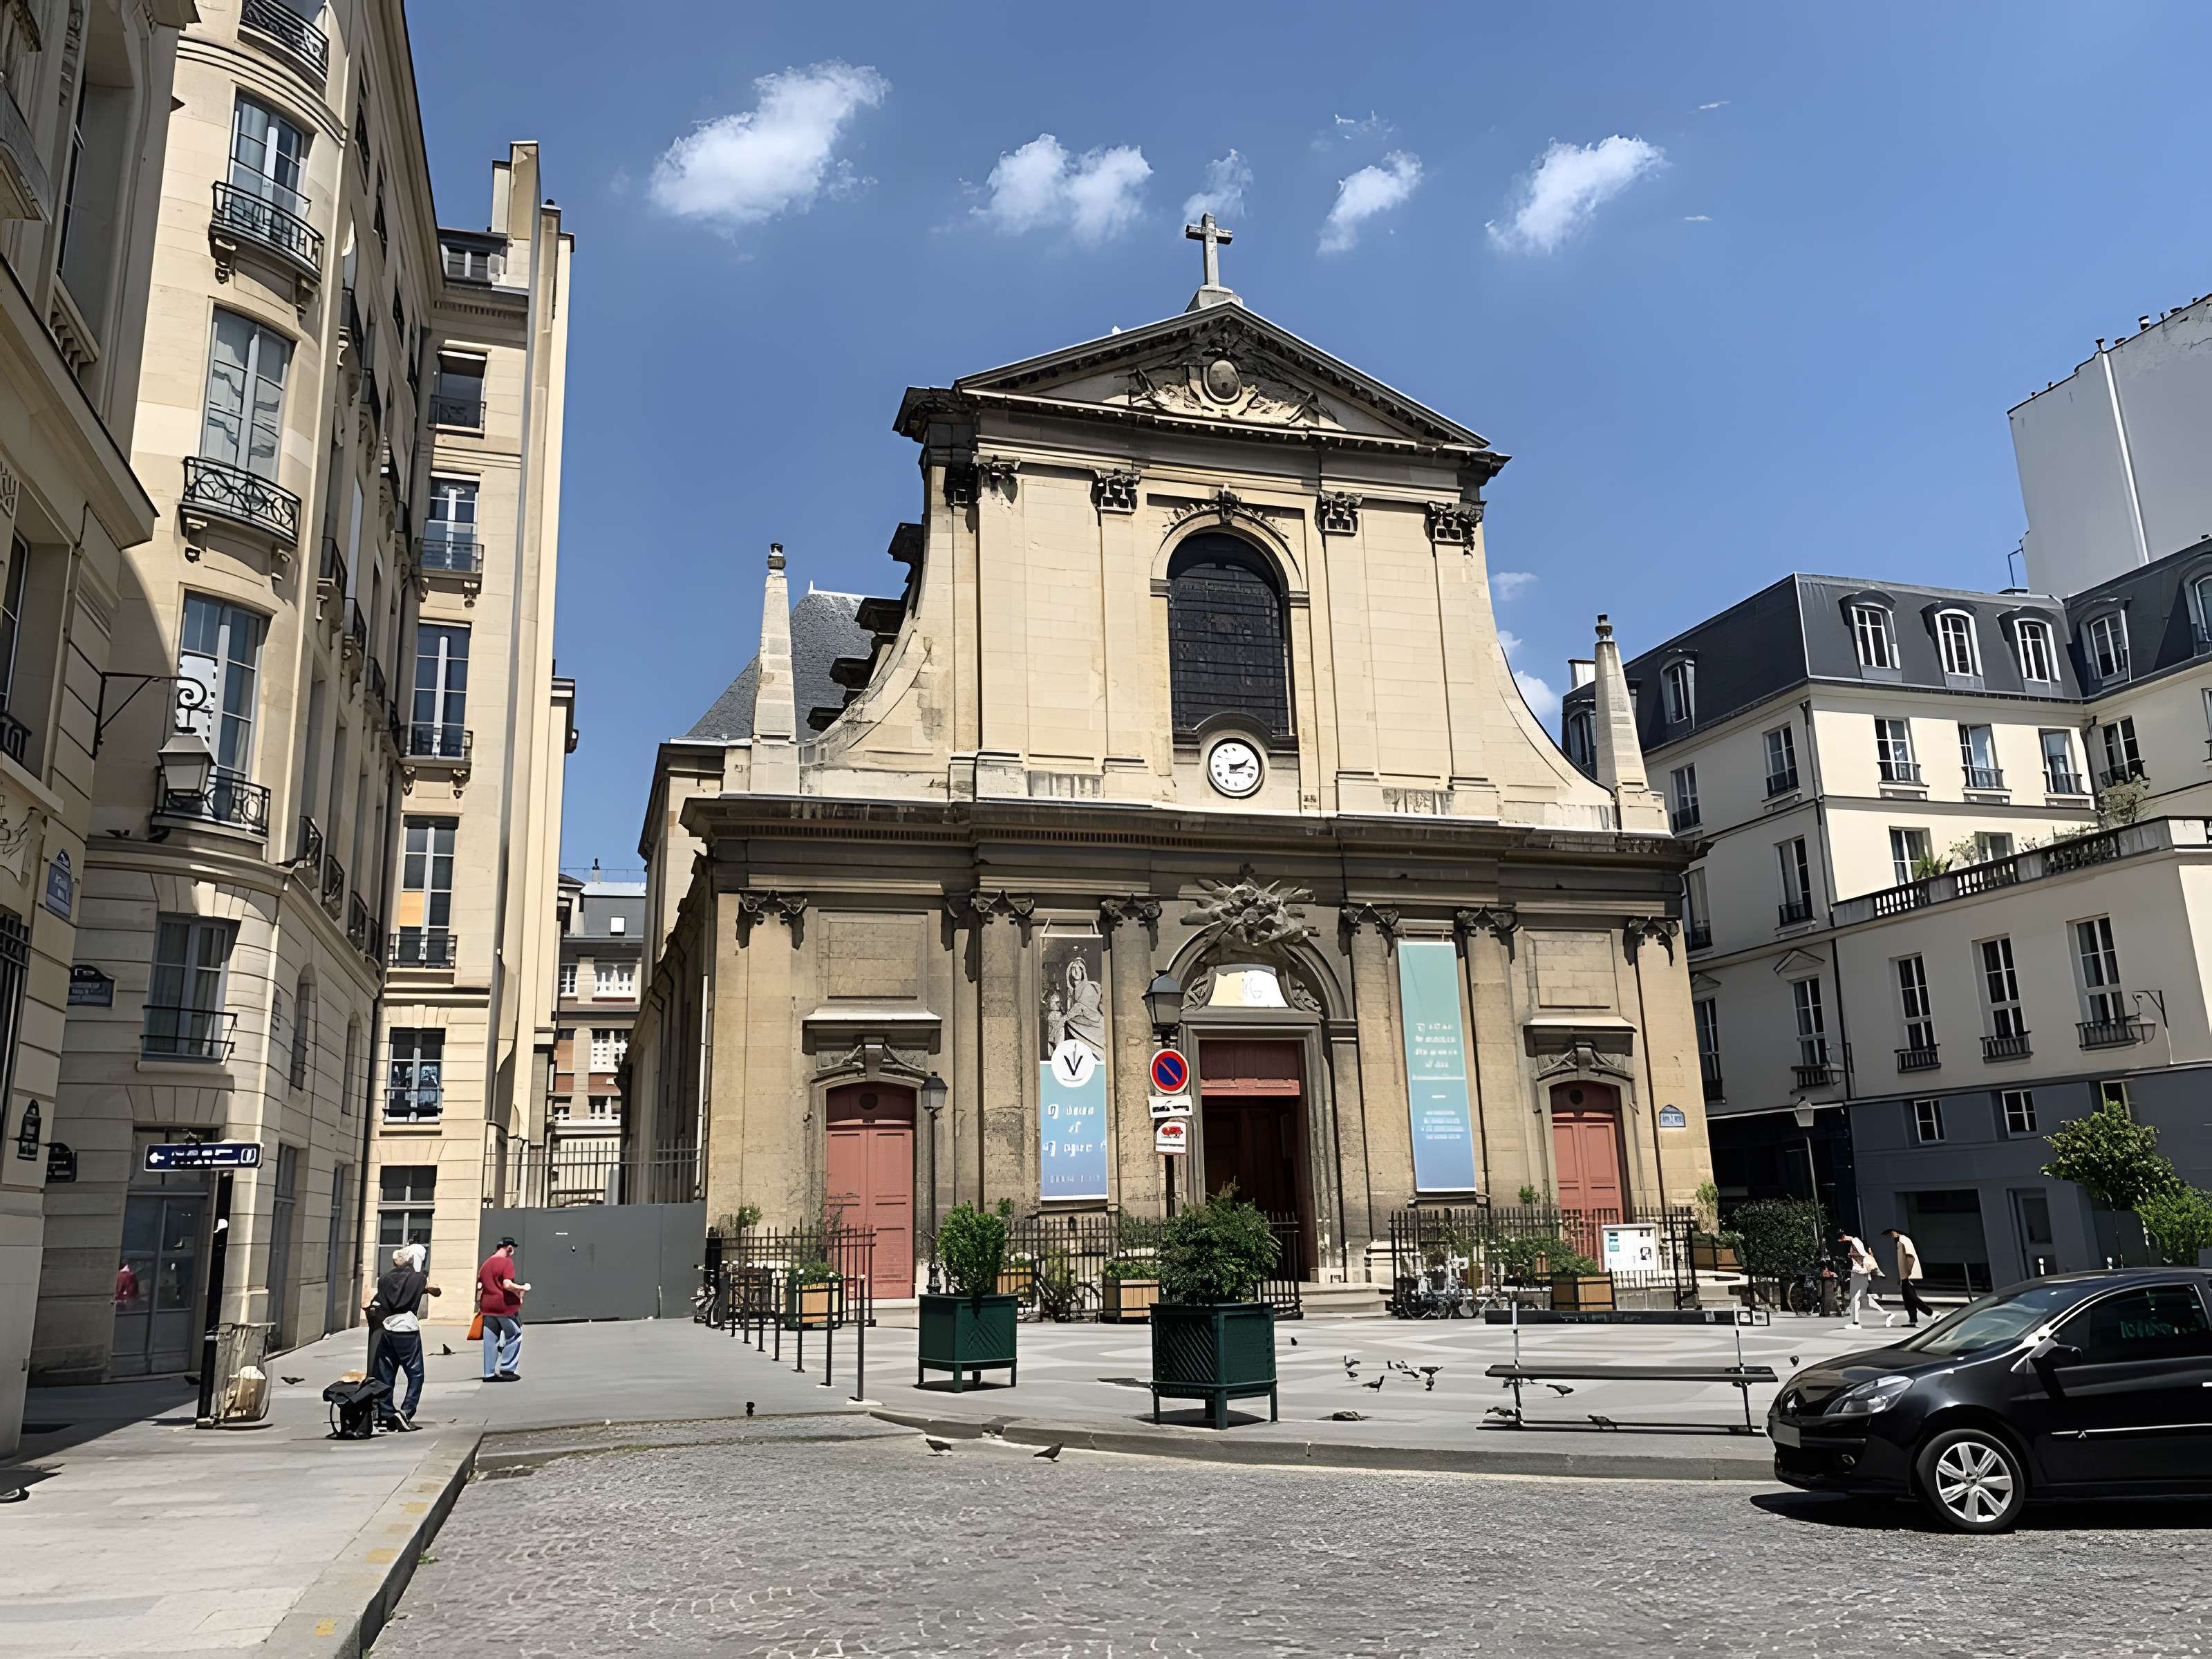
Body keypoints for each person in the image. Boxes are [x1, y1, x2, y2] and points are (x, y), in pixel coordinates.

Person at [368, 1244, 439, 1430]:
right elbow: (435, 1290)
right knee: (416, 1374)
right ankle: (407, 1411)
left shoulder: (384, 1279)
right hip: (408, 1327)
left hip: (388, 1327)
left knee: (386, 1373)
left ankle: (386, 1412)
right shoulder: (418, 1278)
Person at [477, 1237, 531, 1381]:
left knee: (490, 1340)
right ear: (509, 1248)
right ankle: (507, 1369)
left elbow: (480, 1287)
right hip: (504, 1307)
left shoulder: (486, 1264)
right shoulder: (506, 1262)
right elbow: (507, 1285)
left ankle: (488, 1373)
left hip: (487, 1307)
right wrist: (523, 1288)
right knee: (514, 1335)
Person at [1882, 1228, 1932, 1328]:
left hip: (1908, 1275)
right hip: (1905, 1275)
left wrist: (1908, 1273)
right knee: (1908, 1299)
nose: (1891, 1236)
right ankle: (1913, 1320)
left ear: (1896, 1231)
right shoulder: (1900, 1241)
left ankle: (1931, 1313)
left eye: (1891, 1234)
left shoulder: (1903, 1240)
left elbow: (1910, 1257)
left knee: (1912, 1298)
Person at [1839, 1229, 1885, 1328]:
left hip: (1860, 1272)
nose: (1842, 1241)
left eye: (1842, 1239)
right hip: (1861, 1272)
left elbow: (1863, 1255)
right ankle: (1883, 1313)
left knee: (1856, 1297)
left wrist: (1851, 1255)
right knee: (1862, 1298)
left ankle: (1855, 1321)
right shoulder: (1857, 1243)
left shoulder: (1855, 1242)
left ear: (1844, 1236)